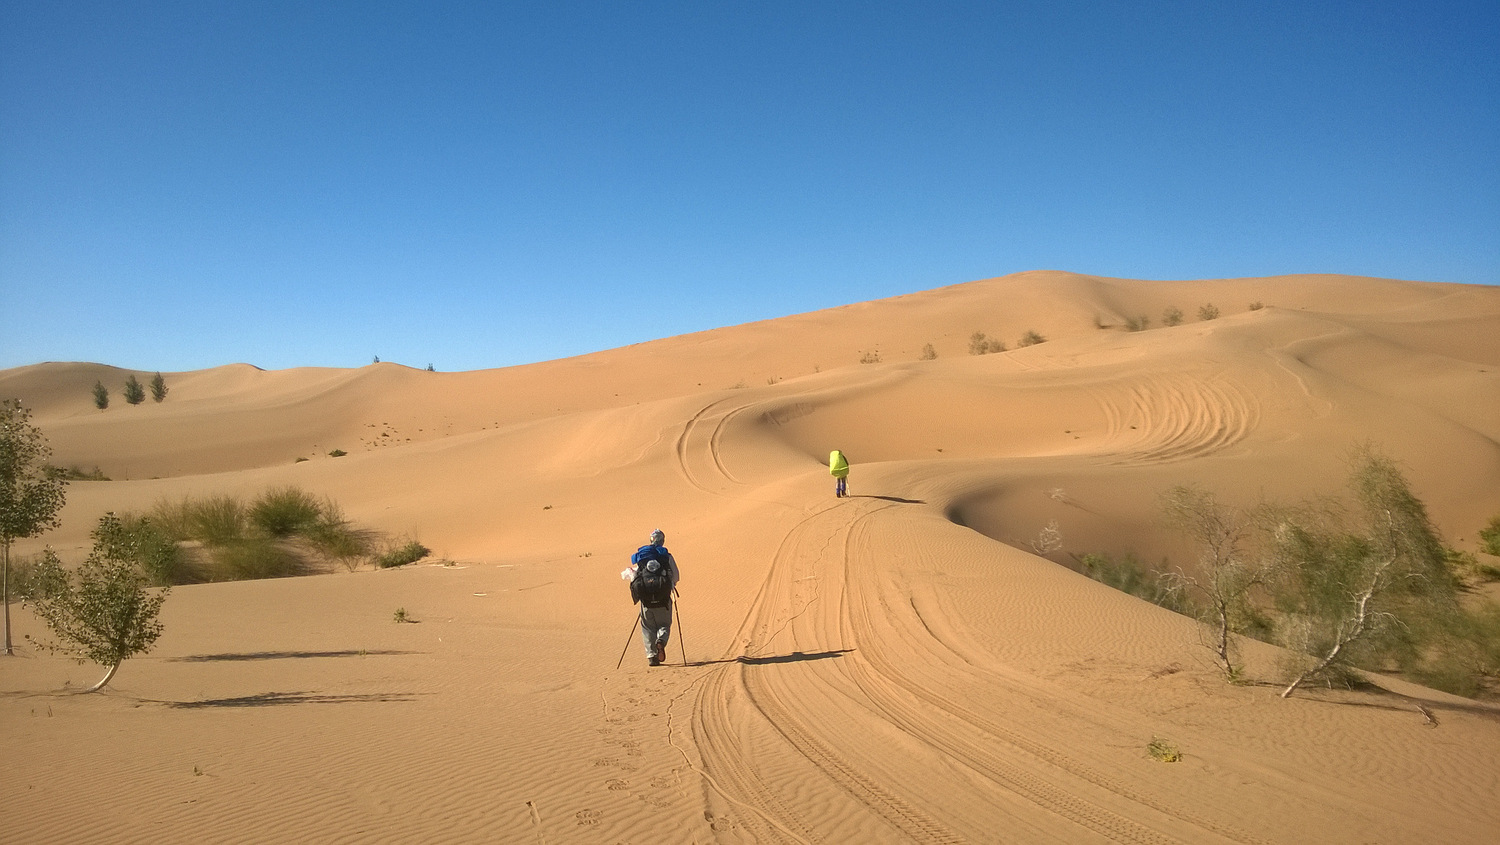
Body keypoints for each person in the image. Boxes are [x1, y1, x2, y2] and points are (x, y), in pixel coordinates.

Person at [625, 529, 680, 666]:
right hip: (663, 600)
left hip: (646, 601)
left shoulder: (642, 557)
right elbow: (676, 576)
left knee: (647, 627)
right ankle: (661, 641)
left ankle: (652, 656)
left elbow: (634, 576)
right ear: (662, 540)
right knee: (664, 624)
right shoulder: (666, 556)